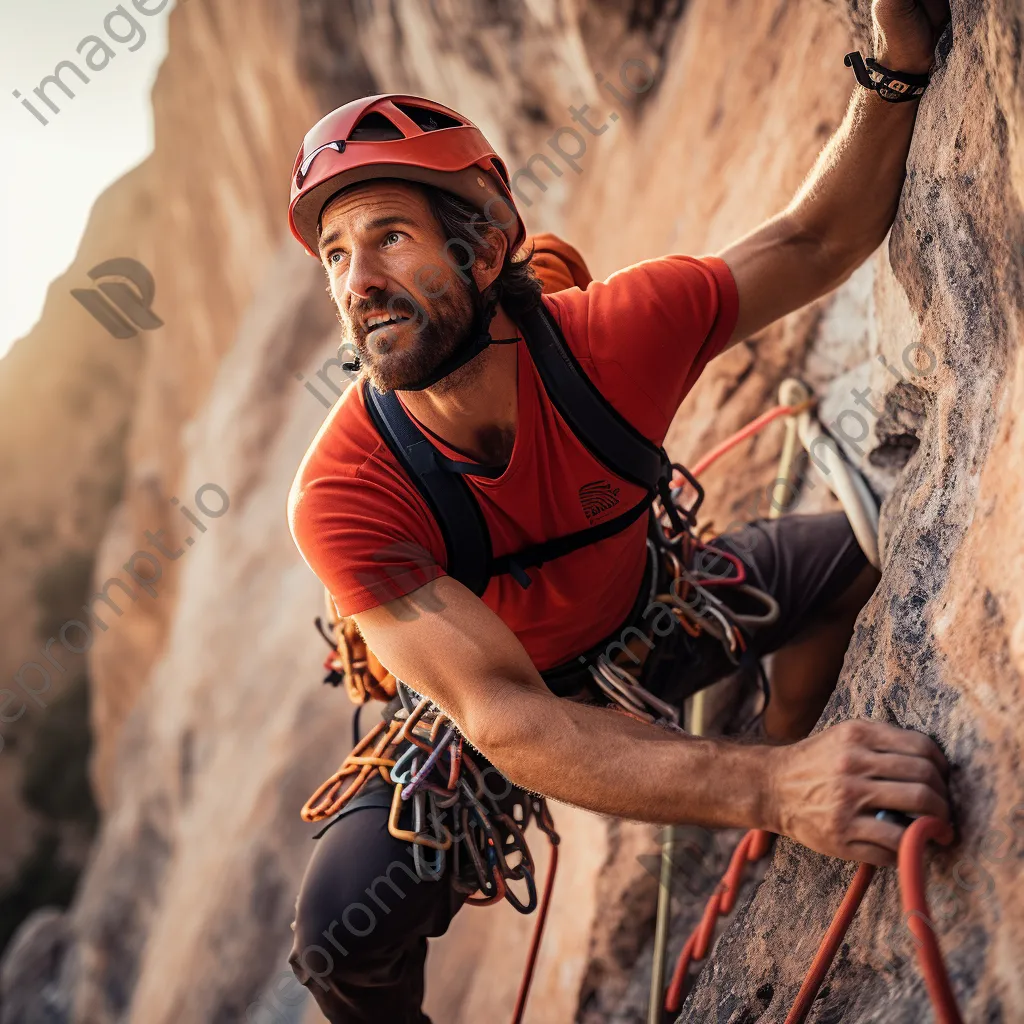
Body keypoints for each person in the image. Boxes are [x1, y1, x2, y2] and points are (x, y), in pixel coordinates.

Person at [284, 2, 952, 1019]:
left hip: (650, 618)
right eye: (335, 254)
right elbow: (505, 715)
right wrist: (773, 786)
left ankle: (782, 730)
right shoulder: (345, 489)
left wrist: (894, 69)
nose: (359, 281)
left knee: (854, 557)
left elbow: (813, 240)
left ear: (487, 241)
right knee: (338, 933)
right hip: (480, 712)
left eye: (387, 237)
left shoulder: (607, 341)